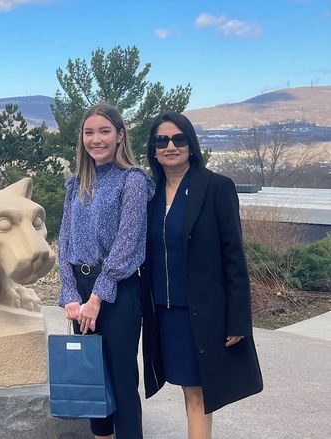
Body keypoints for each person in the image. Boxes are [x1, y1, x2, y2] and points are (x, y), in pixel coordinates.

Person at [141, 112, 263, 439]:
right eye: (161, 140)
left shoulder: (216, 188)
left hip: (201, 314)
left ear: (191, 145)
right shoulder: (149, 195)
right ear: (153, 149)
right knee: (187, 390)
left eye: (178, 139)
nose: (170, 146)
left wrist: (238, 321)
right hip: (163, 314)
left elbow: (234, 258)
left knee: (198, 395)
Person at [58, 103, 154, 439]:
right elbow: (65, 243)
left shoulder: (133, 181)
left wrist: (98, 296)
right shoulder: (76, 184)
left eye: (104, 131)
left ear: (120, 136)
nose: (95, 139)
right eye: (89, 132)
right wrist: (70, 294)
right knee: (92, 378)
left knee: (122, 379)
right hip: (81, 293)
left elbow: (128, 244)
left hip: (118, 290)